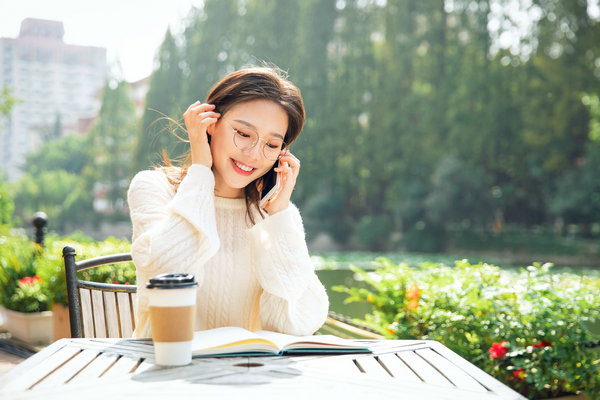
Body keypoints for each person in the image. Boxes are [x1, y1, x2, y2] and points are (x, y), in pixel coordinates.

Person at [127, 66, 329, 338]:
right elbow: (164, 271)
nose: (254, 154)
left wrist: (278, 217)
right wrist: (200, 171)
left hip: (249, 372)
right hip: (169, 367)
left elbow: (300, 322)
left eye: (271, 145)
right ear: (210, 123)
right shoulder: (154, 188)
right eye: (244, 134)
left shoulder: (276, 215)